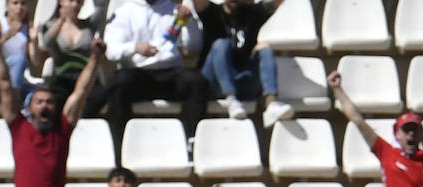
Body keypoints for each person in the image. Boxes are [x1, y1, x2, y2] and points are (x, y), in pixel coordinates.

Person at [0, 23, 106, 187]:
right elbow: (6, 84)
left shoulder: (62, 128)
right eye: (39, 102)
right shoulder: (19, 126)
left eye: (50, 102)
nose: (45, 106)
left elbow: (80, 91)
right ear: (30, 108)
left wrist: (95, 58)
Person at [98, 0, 209, 150]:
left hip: (170, 73)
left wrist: (189, 23)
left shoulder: (175, 10)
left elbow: (193, 46)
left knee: (196, 81)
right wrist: (135, 47)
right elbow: (111, 50)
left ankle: (192, 141)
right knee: (118, 83)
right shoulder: (124, 12)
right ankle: (121, 145)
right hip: (137, 74)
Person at [191, 0, 294, 128]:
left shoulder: (252, 13)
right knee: (221, 44)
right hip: (214, 83)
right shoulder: (213, 12)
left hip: (242, 81)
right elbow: (199, 3)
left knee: (265, 48)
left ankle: (271, 105)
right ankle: (231, 99)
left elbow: (275, 3)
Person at [30, 0, 110, 108]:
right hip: (62, 77)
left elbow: (101, 7)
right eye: (71, 1)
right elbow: (46, 43)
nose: (75, 5)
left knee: (101, 96)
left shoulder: (89, 25)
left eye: (78, 2)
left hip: (86, 76)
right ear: (61, 2)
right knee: (54, 100)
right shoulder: (49, 26)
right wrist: (61, 20)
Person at [0, 0, 38, 111]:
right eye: (15, 3)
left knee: (39, 95)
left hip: (17, 81)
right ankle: (14, 103)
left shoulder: (27, 28)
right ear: (7, 6)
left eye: (23, 4)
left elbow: (36, 61)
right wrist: (9, 33)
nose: (19, 8)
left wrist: (33, 41)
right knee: (19, 60)